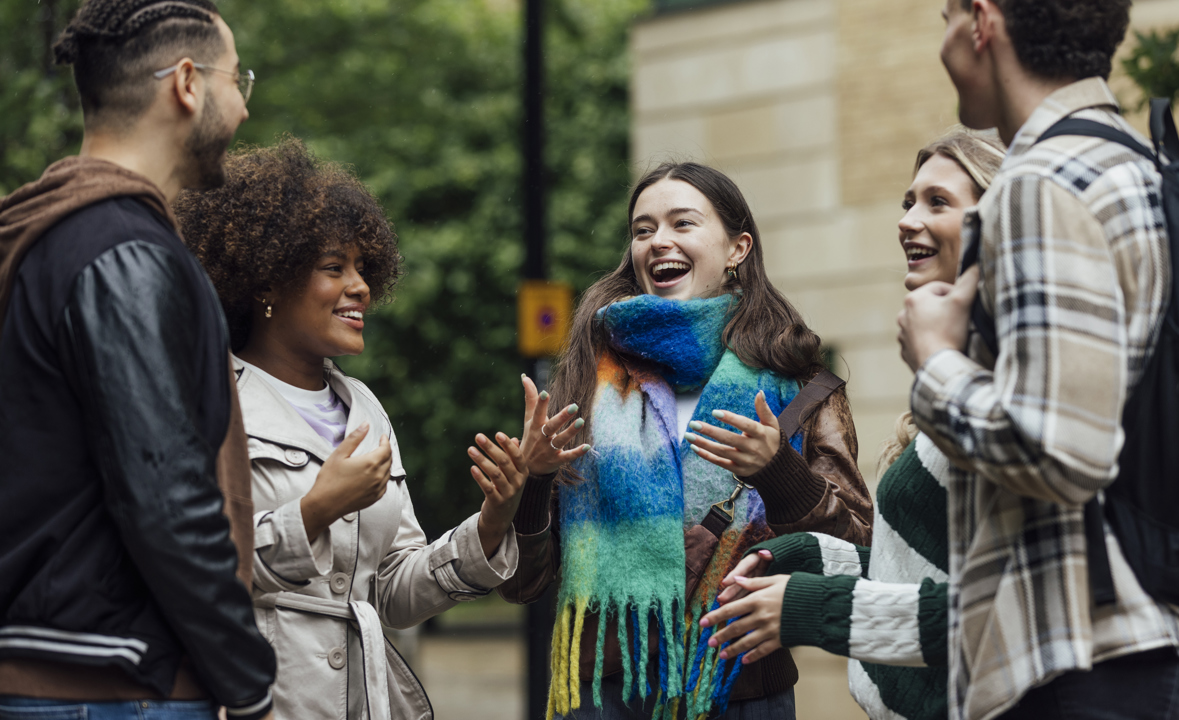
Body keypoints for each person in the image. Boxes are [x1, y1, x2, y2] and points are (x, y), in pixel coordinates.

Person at [896, 1, 1179, 718]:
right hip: (1161, 638)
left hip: (1083, 658)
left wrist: (935, 362)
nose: (944, 40)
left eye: (945, 16)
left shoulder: (1042, 181)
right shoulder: (1141, 164)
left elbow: (1059, 449)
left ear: (982, 21)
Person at [500, 162, 875, 720]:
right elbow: (523, 582)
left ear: (737, 249)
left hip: (741, 690)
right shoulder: (586, 379)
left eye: (682, 223)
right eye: (643, 229)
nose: (659, 241)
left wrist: (778, 472)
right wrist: (534, 481)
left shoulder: (798, 385)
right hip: (605, 692)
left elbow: (859, 552)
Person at [174, 137, 526, 720]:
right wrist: (313, 512)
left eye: (364, 268)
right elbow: (192, 566)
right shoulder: (211, 400)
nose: (360, 286)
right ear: (266, 282)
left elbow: (393, 592)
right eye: (333, 268)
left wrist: (491, 523)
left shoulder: (364, 408)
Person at [0, 1, 275, 717]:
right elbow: (164, 498)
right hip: (114, 690)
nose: (244, 107)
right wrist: (247, 681)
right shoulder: (122, 252)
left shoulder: (51, 236)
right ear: (187, 83)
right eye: (237, 79)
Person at [699, 130, 1006, 720]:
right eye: (908, 202)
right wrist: (806, 556)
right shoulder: (958, 375)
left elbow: (1007, 611)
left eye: (937, 202)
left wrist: (810, 605)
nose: (907, 220)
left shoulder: (1012, 383)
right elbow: (913, 571)